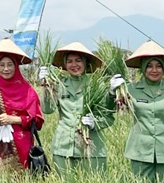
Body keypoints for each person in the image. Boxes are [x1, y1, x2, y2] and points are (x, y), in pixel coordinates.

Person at [39, 42, 115, 174]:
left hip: (92, 147)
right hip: (63, 147)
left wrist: (94, 123)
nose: (74, 65)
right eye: (69, 61)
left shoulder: (96, 86)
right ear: (65, 64)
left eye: (78, 60)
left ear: (86, 63)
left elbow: (108, 117)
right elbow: (48, 110)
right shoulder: (59, 85)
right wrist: (45, 86)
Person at [0, 38, 44, 171]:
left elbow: (38, 120)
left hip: (24, 149)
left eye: (10, 65)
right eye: (2, 65)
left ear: (16, 66)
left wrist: (15, 119)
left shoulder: (28, 91)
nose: (6, 69)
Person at [119, 40, 164, 183]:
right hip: (140, 150)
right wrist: (111, 92)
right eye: (149, 66)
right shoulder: (130, 89)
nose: (154, 70)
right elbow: (110, 108)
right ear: (143, 68)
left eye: (158, 66)